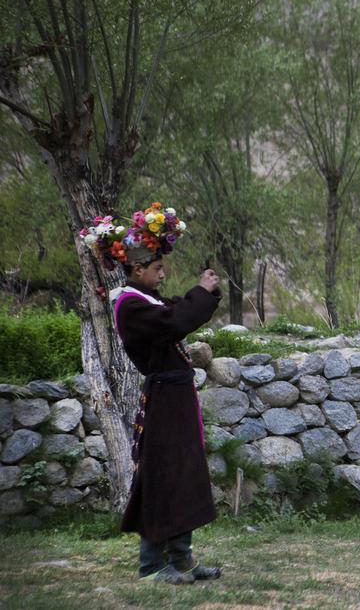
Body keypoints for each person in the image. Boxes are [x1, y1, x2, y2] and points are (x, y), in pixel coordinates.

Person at [81, 204, 222, 584]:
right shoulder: (130, 306)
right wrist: (201, 291)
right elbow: (177, 320)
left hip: (175, 398)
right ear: (138, 269)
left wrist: (205, 293)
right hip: (163, 401)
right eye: (157, 268)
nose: (162, 274)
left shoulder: (147, 301)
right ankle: (151, 566)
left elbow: (179, 311)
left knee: (182, 475)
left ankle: (182, 560)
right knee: (162, 476)